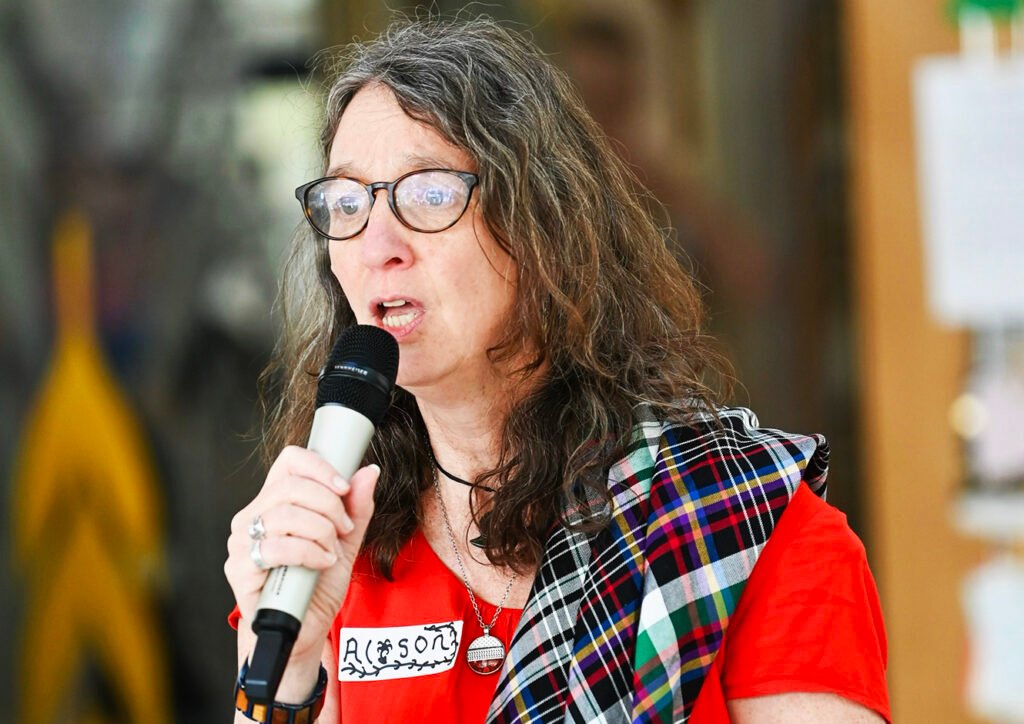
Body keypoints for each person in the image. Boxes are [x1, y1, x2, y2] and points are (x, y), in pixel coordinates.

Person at [224, 16, 889, 724]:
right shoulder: (326, 555)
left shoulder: (737, 527)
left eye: (429, 193)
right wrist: (289, 674)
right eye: (347, 202)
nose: (376, 244)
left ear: (540, 223)